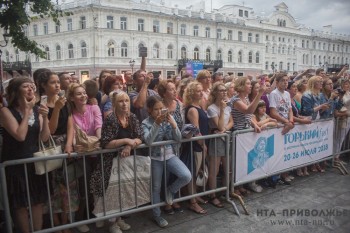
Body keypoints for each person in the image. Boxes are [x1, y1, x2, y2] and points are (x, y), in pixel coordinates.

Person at [0, 78, 50, 233]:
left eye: (32, 86)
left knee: (37, 202)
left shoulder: (37, 110)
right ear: (15, 91)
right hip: (15, 164)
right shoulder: (6, 111)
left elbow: (44, 138)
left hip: (34, 162)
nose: (30, 89)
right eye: (25, 86)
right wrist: (27, 111)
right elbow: (20, 136)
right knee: (20, 204)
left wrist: (45, 117)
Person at [90, 91, 142, 233]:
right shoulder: (111, 119)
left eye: (126, 100)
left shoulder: (132, 117)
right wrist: (125, 140)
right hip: (109, 163)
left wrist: (129, 145)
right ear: (114, 104)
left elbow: (139, 136)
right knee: (112, 193)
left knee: (122, 192)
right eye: (121, 101)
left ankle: (119, 219)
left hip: (125, 162)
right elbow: (105, 143)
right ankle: (112, 224)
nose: (124, 103)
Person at [38, 71, 79, 233]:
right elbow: (51, 129)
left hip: (65, 147)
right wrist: (56, 109)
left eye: (58, 82)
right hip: (50, 146)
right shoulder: (40, 105)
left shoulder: (65, 102)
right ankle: (56, 224)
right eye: (53, 82)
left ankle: (66, 222)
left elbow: (70, 126)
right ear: (43, 85)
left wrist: (69, 144)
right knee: (53, 188)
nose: (57, 86)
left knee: (68, 185)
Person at [142, 96, 191, 228]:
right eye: (156, 109)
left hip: (170, 155)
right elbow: (148, 141)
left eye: (161, 109)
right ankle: (157, 215)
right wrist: (157, 124)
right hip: (155, 158)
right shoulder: (146, 123)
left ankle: (170, 190)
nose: (159, 112)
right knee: (156, 187)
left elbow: (178, 138)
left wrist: (174, 125)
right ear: (150, 110)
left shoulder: (168, 119)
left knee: (186, 175)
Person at [65, 83, 102, 232]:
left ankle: (96, 214)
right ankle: (80, 219)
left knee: (98, 187)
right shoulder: (71, 114)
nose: (83, 96)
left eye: (84, 93)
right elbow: (72, 134)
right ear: (72, 98)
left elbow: (99, 126)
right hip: (81, 157)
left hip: (97, 153)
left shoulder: (94, 108)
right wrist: (74, 145)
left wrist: (98, 141)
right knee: (84, 188)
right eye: (79, 94)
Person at [231, 77, 266, 194]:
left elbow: (248, 116)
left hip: (245, 133)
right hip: (238, 134)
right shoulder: (236, 100)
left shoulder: (245, 98)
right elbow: (249, 111)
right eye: (248, 84)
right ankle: (235, 187)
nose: (250, 86)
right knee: (237, 162)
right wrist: (260, 93)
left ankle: (241, 185)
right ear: (241, 86)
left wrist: (254, 124)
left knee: (244, 161)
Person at [181, 81, 209, 214]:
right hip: (195, 146)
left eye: (201, 90)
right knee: (192, 173)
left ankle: (194, 195)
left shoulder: (198, 106)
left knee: (196, 171)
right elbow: (196, 130)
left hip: (200, 145)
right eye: (198, 90)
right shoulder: (192, 109)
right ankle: (192, 202)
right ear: (191, 93)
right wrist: (203, 145)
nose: (201, 92)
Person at [207, 83, 233, 208]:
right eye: (221, 90)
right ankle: (212, 195)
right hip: (216, 140)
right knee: (214, 169)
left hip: (226, 137)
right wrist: (222, 110)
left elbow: (231, 122)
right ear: (215, 93)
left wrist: (224, 129)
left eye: (225, 90)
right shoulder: (211, 108)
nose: (224, 92)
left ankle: (225, 192)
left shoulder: (227, 106)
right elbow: (219, 125)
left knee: (228, 167)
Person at [269, 73, 295, 184]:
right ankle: (274, 177)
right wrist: (286, 122)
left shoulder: (287, 94)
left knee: (285, 152)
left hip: (287, 125)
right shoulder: (274, 94)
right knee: (276, 152)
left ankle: (283, 174)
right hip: (278, 126)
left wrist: (291, 121)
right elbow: (273, 112)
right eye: (283, 80)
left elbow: (290, 110)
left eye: (287, 80)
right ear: (277, 82)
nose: (285, 82)